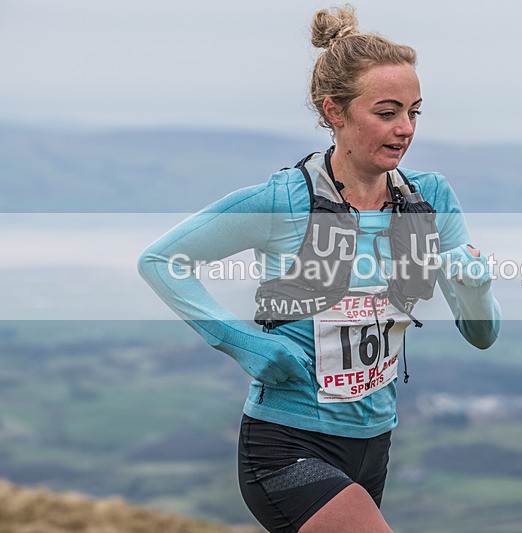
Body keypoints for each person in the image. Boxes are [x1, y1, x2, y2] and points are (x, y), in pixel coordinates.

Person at [138, 5, 501, 532]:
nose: (405, 129)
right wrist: (245, 343)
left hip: (374, 441)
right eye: (387, 112)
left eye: (414, 112)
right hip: (286, 443)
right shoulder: (283, 200)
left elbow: (483, 335)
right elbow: (161, 261)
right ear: (335, 111)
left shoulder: (430, 199)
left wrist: (473, 290)